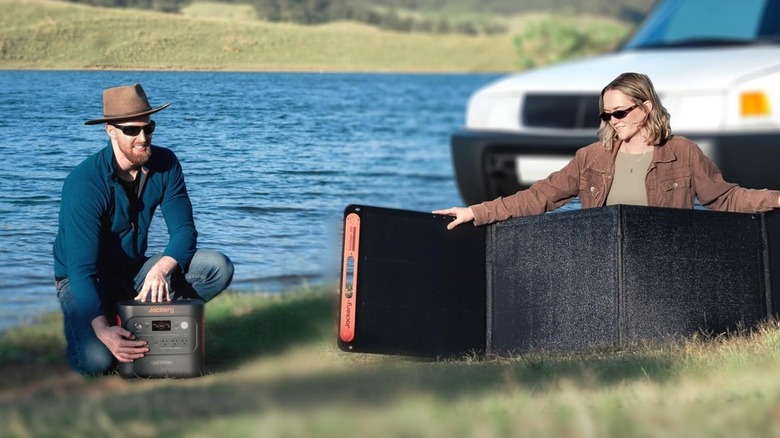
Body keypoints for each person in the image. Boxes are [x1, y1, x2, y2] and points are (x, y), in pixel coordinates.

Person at [435, 72, 780, 229]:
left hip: (664, 257)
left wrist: (776, 199)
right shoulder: (591, 157)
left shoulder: (683, 152)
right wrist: (476, 212)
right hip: (602, 259)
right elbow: (539, 197)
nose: (613, 121)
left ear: (646, 108)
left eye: (620, 112)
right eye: (606, 114)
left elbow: (725, 199)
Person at [53, 83, 234, 376]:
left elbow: (185, 231)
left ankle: (149, 325)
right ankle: (115, 324)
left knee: (216, 267)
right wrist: (102, 329)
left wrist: (160, 269)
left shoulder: (166, 163)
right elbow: (80, 269)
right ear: (111, 131)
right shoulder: (84, 183)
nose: (143, 137)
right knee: (96, 361)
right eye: (132, 130)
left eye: (148, 127)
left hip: (133, 271)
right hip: (83, 279)